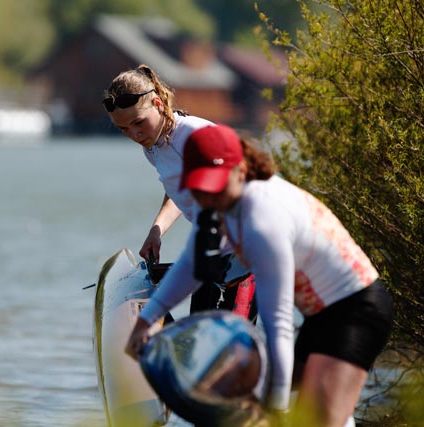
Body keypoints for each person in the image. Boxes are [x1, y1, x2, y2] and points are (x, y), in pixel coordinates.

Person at [125, 124, 394, 427]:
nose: (210, 197)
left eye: (216, 185)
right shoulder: (214, 203)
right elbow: (191, 267)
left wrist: (277, 409)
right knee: (235, 388)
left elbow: (277, 321)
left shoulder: (264, 220)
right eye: (201, 187)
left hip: (357, 311)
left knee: (315, 419)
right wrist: (145, 322)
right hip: (319, 315)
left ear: (241, 169)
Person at [103, 65, 256, 317]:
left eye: (138, 122)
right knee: (198, 338)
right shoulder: (154, 146)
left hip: (245, 258)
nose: (134, 134)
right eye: (123, 129)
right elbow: (176, 189)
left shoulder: (196, 134)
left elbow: (249, 187)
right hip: (209, 255)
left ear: (158, 104)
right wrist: (157, 230)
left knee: (228, 348)